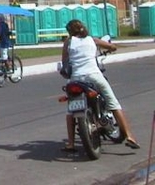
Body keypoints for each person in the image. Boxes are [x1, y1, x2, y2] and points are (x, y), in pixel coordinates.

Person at [60, 18, 140, 152]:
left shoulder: (68, 42)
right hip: (94, 76)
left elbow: (64, 62)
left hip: (76, 78)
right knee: (113, 103)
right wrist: (110, 48)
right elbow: (112, 47)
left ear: (69, 32)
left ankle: (71, 144)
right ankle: (130, 136)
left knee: (70, 112)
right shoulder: (93, 40)